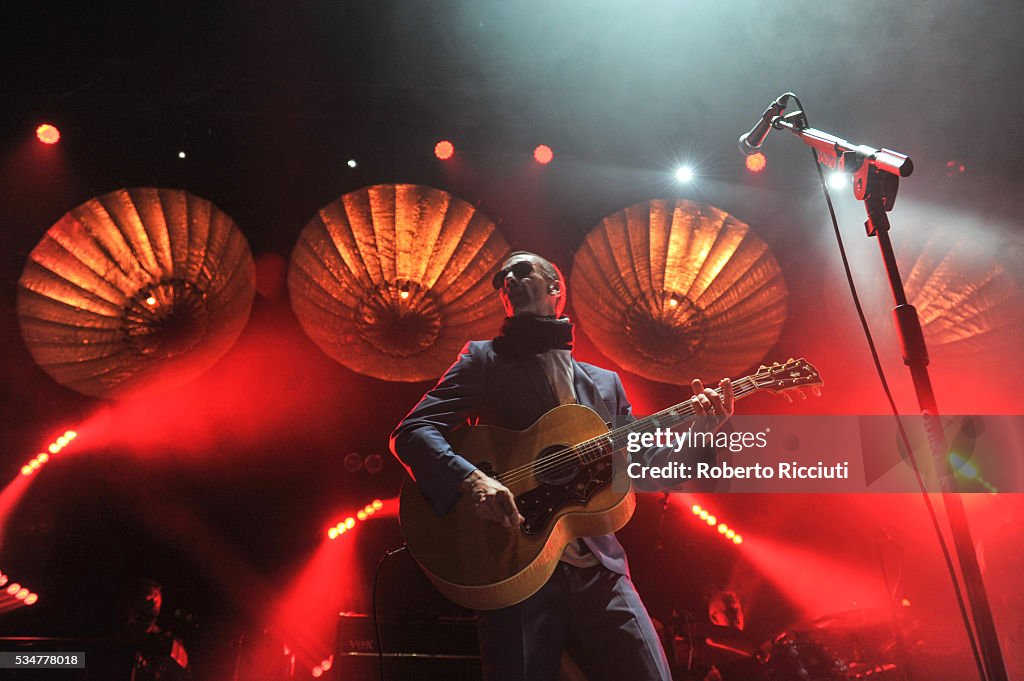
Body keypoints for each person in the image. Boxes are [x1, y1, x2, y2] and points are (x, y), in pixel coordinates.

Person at [390, 251, 733, 681]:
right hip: (516, 567)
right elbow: (413, 430)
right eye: (502, 277)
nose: (507, 278)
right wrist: (473, 480)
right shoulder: (483, 360)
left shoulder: (605, 384)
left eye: (520, 269)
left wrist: (703, 433)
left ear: (555, 289)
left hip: (600, 571)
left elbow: (644, 469)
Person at [119, 579, 193, 681]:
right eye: (147, 599)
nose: (153, 603)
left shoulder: (169, 645)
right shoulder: (113, 641)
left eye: (155, 601)